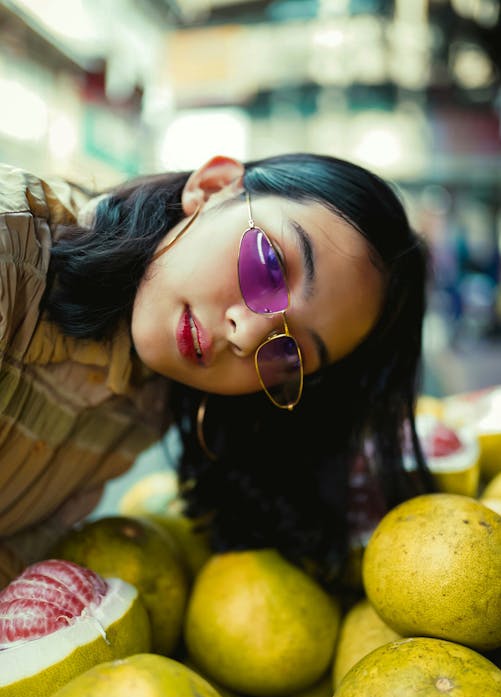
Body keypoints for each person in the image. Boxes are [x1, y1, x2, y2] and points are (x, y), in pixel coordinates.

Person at [0, 153, 434, 591]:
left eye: (290, 353)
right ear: (211, 188)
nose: (246, 337)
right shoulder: (8, 251)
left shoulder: (152, 399)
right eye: (270, 268)